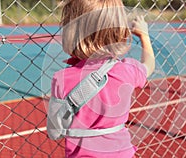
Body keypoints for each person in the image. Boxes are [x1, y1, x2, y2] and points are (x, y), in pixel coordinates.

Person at [50, 0, 155, 157]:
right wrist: (144, 35)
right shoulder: (126, 71)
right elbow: (149, 65)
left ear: (71, 29)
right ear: (118, 28)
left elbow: (54, 132)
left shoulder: (61, 79)